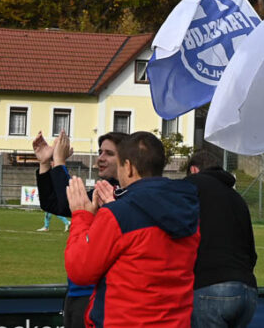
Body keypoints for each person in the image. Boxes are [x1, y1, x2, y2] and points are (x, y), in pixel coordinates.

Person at [64, 130, 200, 328]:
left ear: (128, 167)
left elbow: (80, 270)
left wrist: (81, 216)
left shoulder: (119, 215)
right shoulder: (187, 210)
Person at [32, 129, 126, 328]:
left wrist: (59, 162)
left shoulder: (119, 194)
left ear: (127, 160)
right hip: (77, 291)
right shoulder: (104, 189)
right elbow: (53, 204)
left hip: (98, 294)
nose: (100, 158)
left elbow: (66, 203)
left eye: (109, 153)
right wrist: (45, 163)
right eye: (100, 152)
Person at [184, 149, 259, 328]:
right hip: (247, 290)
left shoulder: (193, 185)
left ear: (194, 170)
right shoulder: (237, 199)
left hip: (211, 284)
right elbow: (251, 252)